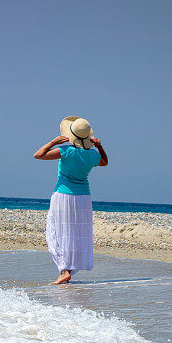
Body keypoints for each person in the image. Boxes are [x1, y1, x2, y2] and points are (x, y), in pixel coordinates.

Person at [34, 116, 108, 284]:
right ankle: (69, 269)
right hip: (83, 198)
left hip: (63, 196)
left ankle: (64, 270)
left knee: (56, 232)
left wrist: (53, 142)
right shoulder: (92, 155)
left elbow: (38, 155)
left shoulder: (65, 151)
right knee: (75, 234)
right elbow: (105, 162)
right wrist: (99, 146)